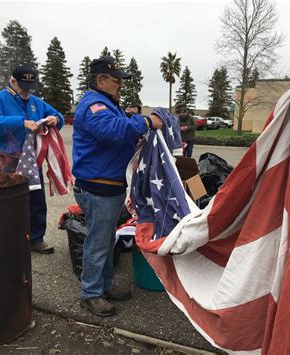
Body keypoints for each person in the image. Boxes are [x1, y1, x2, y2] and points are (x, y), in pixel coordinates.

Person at [72, 56, 162, 317]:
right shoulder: (94, 105)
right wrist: (146, 122)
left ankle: (104, 286)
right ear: (100, 80)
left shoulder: (107, 104)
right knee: (98, 242)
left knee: (106, 240)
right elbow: (113, 131)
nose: (120, 85)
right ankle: (90, 294)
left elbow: (120, 131)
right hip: (98, 188)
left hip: (109, 186)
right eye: (116, 80)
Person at [0, 66, 64, 254]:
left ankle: (36, 239)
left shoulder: (37, 102)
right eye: (24, 86)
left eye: (31, 87)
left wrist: (55, 118)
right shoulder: (0, 99)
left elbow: (58, 115)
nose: (27, 91)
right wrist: (21, 122)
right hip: (10, 161)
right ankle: (7, 238)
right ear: (13, 82)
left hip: (33, 160)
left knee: (37, 201)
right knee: (7, 200)